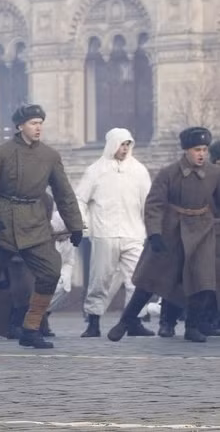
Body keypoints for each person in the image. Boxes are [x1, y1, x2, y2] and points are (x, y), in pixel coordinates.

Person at [0, 104, 84, 350]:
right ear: (20, 126)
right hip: (1, 224)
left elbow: (64, 193)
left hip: (34, 222)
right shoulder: (0, 154)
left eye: (40, 123)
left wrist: (75, 225)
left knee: (51, 271)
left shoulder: (50, 156)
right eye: (32, 123)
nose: (38, 128)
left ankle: (31, 329)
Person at [107, 127, 220, 343]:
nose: (202, 154)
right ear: (186, 150)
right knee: (151, 279)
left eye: (205, 149)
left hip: (203, 232)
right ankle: (126, 321)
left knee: (202, 281)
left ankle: (192, 327)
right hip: (172, 231)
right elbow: (154, 205)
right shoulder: (169, 173)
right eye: (197, 149)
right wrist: (155, 234)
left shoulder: (214, 173)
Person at [74, 128, 152, 338]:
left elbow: (148, 203)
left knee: (137, 279)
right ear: (111, 145)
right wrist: (83, 224)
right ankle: (93, 322)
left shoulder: (139, 170)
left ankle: (133, 320)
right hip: (104, 234)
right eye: (121, 144)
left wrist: (151, 229)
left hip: (134, 233)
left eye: (127, 144)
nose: (124, 149)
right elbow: (80, 199)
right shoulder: (95, 171)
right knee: (100, 280)